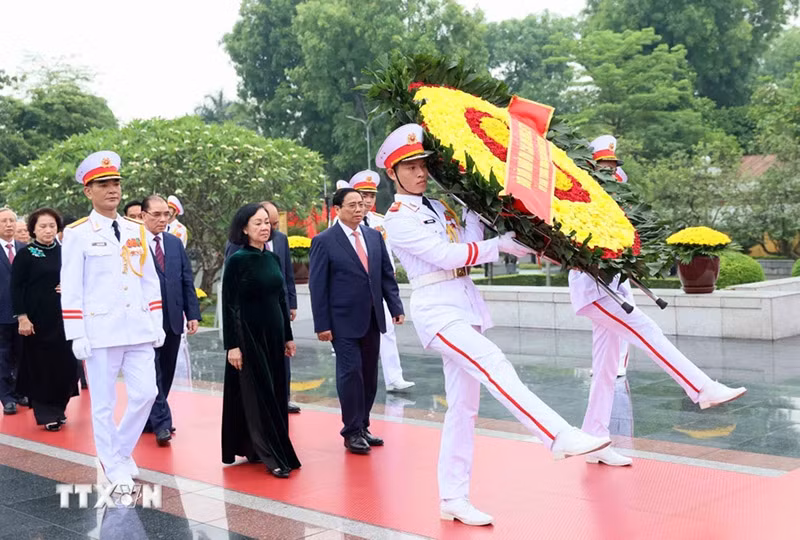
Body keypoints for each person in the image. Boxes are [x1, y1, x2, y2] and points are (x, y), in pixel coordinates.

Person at [378, 124, 611, 526]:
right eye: (409, 166)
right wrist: (497, 246)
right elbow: (446, 255)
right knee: (495, 364)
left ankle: (452, 496)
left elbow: (466, 237)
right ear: (392, 173)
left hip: (464, 305)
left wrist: (474, 206)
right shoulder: (398, 217)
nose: (419, 173)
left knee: (464, 409)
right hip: (438, 309)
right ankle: (557, 435)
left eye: (422, 165)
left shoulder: (439, 206)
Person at [61, 150, 163, 486]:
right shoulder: (77, 233)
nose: (112, 189)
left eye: (116, 182)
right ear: (88, 191)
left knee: (146, 393)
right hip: (100, 330)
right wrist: (76, 333)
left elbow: (149, 279)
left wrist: (157, 321)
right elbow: (72, 287)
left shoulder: (137, 229)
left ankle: (118, 450)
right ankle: (114, 464)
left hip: (138, 327)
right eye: (103, 184)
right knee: (103, 404)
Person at [309, 188, 404, 455]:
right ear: (337, 209)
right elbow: (318, 286)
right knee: (350, 374)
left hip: (372, 318)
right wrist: (322, 325)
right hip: (342, 322)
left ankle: (363, 425)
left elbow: (386, 276)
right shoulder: (325, 241)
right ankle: (351, 432)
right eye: (352, 205)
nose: (358, 210)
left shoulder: (374, 237)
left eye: (361, 205)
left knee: (370, 377)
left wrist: (395, 307)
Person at [221, 203, 300, 478]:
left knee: (277, 394)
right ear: (244, 228)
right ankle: (270, 456)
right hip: (249, 336)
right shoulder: (237, 260)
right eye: (258, 223)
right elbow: (228, 305)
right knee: (258, 396)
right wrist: (232, 345)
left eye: (267, 222)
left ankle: (269, 448)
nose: (265, 227)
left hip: (274, 336)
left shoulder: (273, 259)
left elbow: (280, 299)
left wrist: (288, 338)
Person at [336, 172, 415, 392]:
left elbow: (387, 257)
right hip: (355, 291)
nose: (368, 200)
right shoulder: (341, 223)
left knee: (388, 330)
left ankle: (394, 378)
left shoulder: (381, 222)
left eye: (371, 195)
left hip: (379, 285)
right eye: (363, 195)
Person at [141, 195, 201, 446]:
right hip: (145, 322)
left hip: (173, 320)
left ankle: (149, 418)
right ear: (143, 215)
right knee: (151, 372)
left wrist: (193, 313)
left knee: (165, 372)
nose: (162, 219)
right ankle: (162, 423)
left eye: (166, 214)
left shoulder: (174, 243)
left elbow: (186, 279)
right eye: (156, 214)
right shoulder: (134, 245)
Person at [11, 208, 78, 430]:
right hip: (37, 321)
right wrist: (22, 317)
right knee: (42, 367)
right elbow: (16, 287)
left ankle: (59, 407)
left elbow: (78, 277)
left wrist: (69, 287)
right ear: (33, 229)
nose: (48, 230)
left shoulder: (65, 251)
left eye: (51, 226)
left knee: (66, 366)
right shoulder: (26, 253)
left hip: (64, 319)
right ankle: (47, 413)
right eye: (42, 226)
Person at [587, 135, 629, 377]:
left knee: (626, 309)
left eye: (613, 166)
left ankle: (620, 362)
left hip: (617, 258)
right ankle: (603, 363)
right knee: (600, 317)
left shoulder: (617, 192)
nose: (610, 170)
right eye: (605, 166)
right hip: (596, 259)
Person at [0, 208, 27, 415]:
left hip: (23, 314)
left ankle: (20, 392)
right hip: (1, 315)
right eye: (3, 221)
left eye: (11, 220)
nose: (8, 224)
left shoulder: (24, 248)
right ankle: (7, 397)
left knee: (23, 355)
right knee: (3, 357)